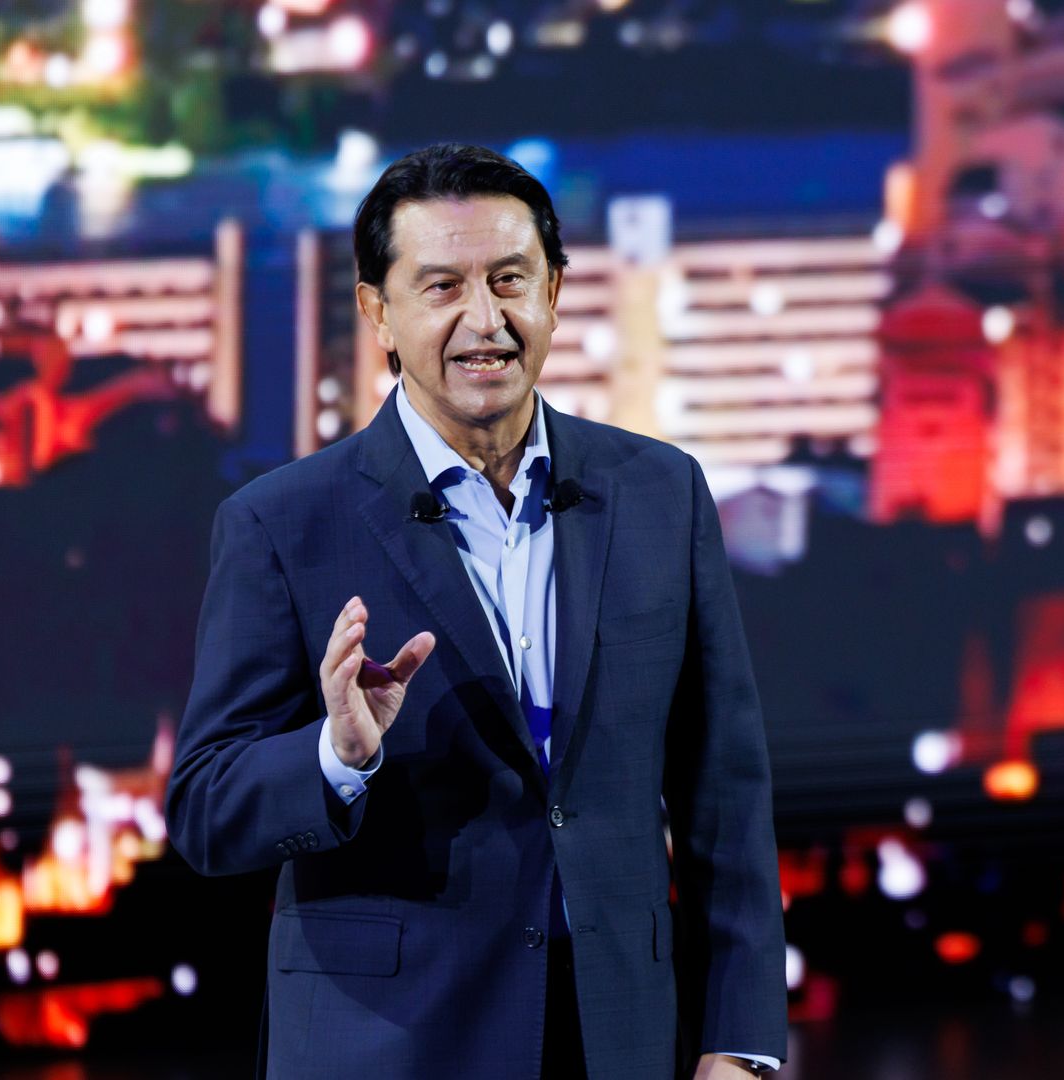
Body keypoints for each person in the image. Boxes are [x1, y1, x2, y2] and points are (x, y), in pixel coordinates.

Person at [166, 143, 787, 1079]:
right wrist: (338, 755)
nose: (484, 320)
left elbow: (724, 796)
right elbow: (207, 807)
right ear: (378, 311)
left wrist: (737, 1043)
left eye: (510, 281)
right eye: (442, 287)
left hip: (617, 1036)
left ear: (556, 292)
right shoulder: (280, 524)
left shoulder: (661, 493)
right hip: (389, 1043)